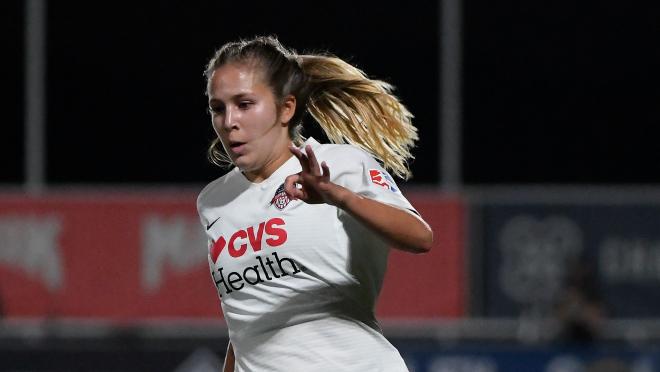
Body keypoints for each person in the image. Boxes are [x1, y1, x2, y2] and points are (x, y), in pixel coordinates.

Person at [197, 35, 433, 372]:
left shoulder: (338, 164)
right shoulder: (214, 201)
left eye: (245, 104)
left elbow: (420, 237)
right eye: (218, 108)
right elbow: (247, 318)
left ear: (286, 108)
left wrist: (336, 196)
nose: (229, 120)